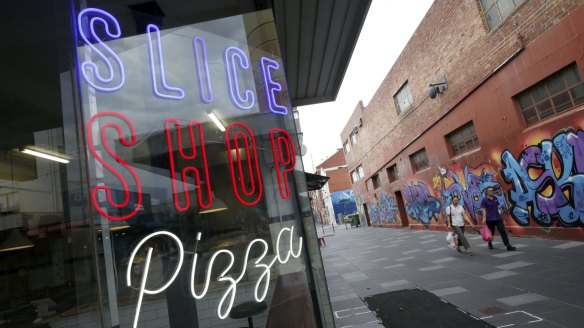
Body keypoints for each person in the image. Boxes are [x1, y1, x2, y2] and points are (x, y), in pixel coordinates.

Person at [481, 186, 516, 251]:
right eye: (489, 190)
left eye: (492, 190)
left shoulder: (495, 198)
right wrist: (484, 218)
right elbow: (484, 209)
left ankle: (508, 246)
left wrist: (502, 217)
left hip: (498, 218)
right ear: (487, 192)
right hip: (490, 219)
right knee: (491, 233)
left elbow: (497, 208)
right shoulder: (484, 200)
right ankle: (490, 243)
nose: (491, 191)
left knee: (503, 231)